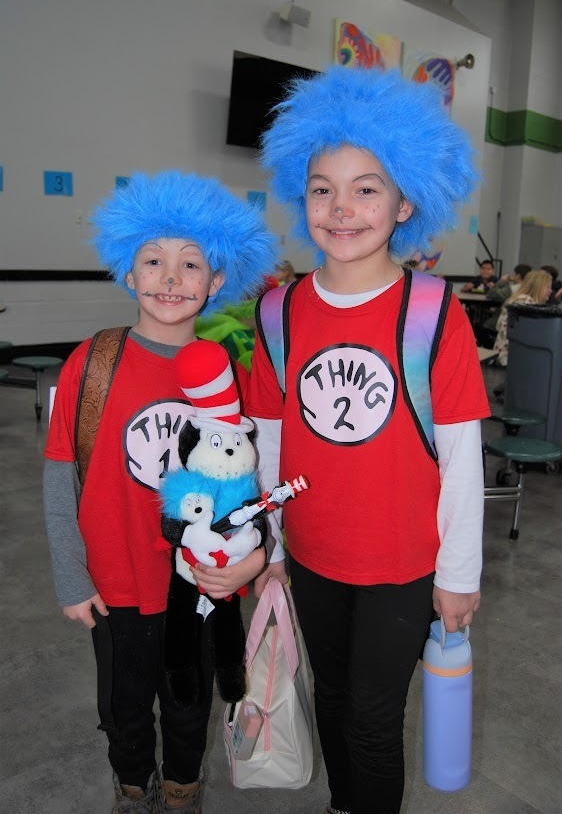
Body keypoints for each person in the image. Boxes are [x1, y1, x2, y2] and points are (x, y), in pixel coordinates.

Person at [239, 66, 491, 814]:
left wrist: (460, 572)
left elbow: (462, 457)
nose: (342, 208)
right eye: (323, 188)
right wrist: (273, 549)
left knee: (376, 720)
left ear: (405, 200)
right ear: (301, 196)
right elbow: (272, 443)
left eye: (367, 188)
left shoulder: (434, 311)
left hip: (405, 564)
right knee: (335, 694)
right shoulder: (278, 313)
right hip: (313, 552)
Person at [43, 170, 277, 814]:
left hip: (195, 583)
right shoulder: (92, 362)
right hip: (113, 579)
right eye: (153, 261)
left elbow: (250, 485)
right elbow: (61, 472)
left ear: (216, 280)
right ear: (128, 272)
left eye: (190, 264)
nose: (170, 279)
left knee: (188, 699)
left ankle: (181, 785)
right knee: (122, 704)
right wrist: (70, 574)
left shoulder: (227, 374)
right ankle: (131, 782)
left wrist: (251, 560)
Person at [493, 268, 553, 366]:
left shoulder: (518, 300)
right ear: (538, 287)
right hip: (511, 359)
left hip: (503, 355)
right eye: (548, 287)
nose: (550, 291)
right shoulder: (527, 305)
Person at [476, 263, 532, 346]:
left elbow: (491, 294)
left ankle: (489, 349)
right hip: (520, 324)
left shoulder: (513, 288)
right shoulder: (530, 288)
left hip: (504, 321)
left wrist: (502, 281)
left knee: (480, 328)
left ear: (518, 276)